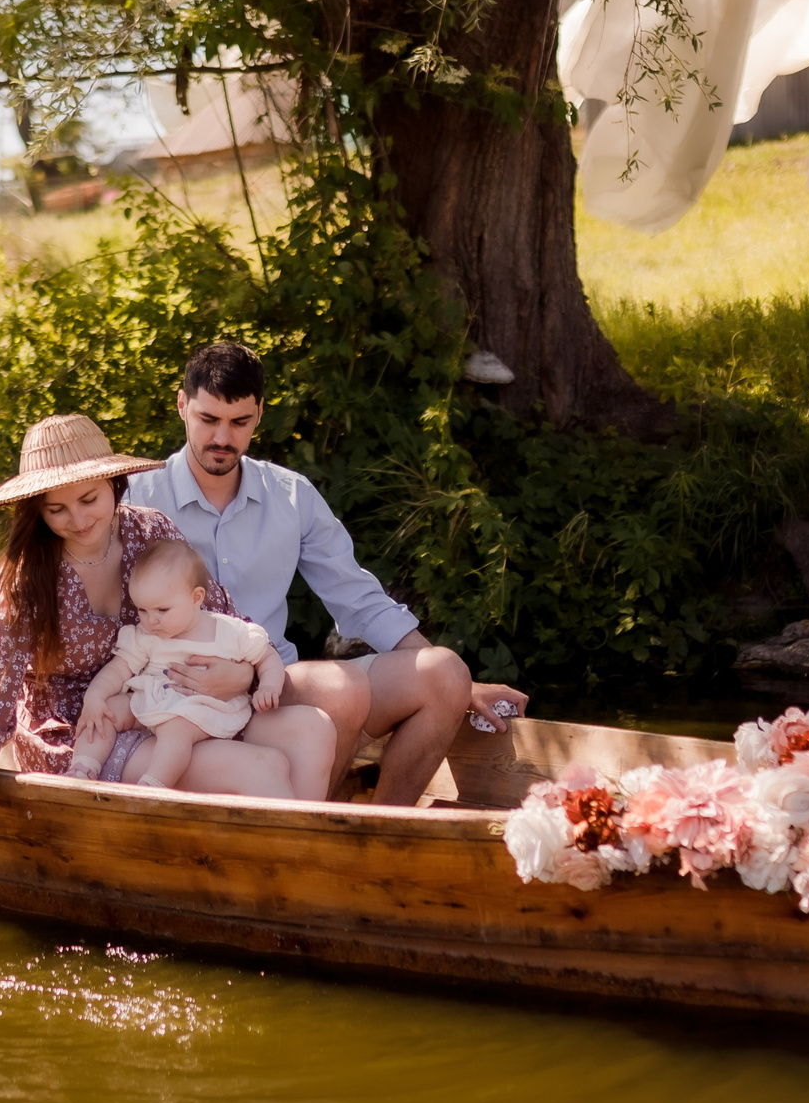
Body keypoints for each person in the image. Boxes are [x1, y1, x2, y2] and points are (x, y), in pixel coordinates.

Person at [0, 414, 337, 915]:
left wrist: (245, 673)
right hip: (84, 730)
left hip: (179, 693)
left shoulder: (150, 531)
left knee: (312, 728)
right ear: (36, 511)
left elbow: (218, 615)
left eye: (90, 499)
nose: (79, 520)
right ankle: (292, 899)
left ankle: (297, 871)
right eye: (56, 509)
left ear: (114, 483)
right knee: (263, 768)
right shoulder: (29, 582)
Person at [125, 342, 529, 804]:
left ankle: (379, 833)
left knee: (445, 674)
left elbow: (359, 600)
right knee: (340, 691)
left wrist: (465, 689)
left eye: (239, 422)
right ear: (182, 405)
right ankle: (318, 826)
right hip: (176, 691)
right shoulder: (139, 499)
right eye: (208, 419)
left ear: (259, 414)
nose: (222, 438)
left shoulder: (290, 495)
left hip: (274, 684)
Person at [73, 539, 307, 797]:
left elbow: (266, 656)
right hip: (153, 699)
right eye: (142, 609)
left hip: (199, 708)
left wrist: (269, 685)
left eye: (162, 609)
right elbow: (118, 670)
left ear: (196, 598)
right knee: (107, 711)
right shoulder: (146, 635)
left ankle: (154, 785)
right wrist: (95, 698)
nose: (151, 620)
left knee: (176, 730)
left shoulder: (228, 632)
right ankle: (82, 768)